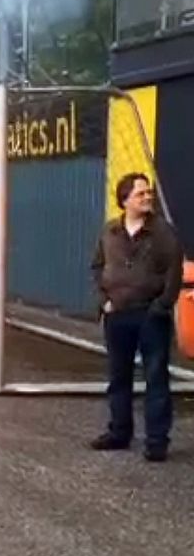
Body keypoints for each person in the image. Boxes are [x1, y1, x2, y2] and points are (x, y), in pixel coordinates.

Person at [89, 173, 184, 462]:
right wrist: (104, 301)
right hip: (117, 315)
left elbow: (174, 271)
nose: (147, 198)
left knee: (156, 377)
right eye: (140, 194)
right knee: (119, 377)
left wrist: (161, 306)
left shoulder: (163, 232)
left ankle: (156, 442)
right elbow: (97, 267)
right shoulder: (110, 232)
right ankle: (119, 432)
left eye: (148, 193)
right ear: (125, 199)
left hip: (150, 316)